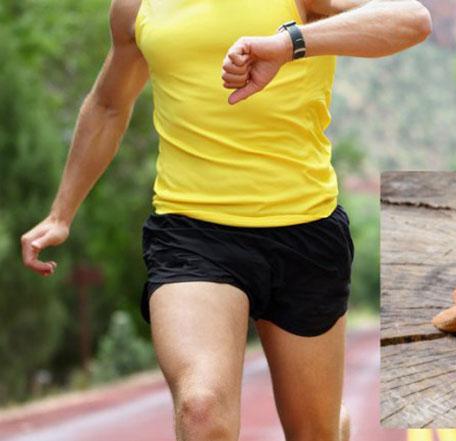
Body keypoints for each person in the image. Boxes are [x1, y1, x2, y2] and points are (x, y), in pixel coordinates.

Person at [20, 0, 431, 440]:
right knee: (201, 409)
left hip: (304, 228)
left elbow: (412, 19)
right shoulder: (135, 7)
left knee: (316, 433)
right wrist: (61, 213)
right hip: (192, 232)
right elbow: (108, 105)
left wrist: (290, 43)